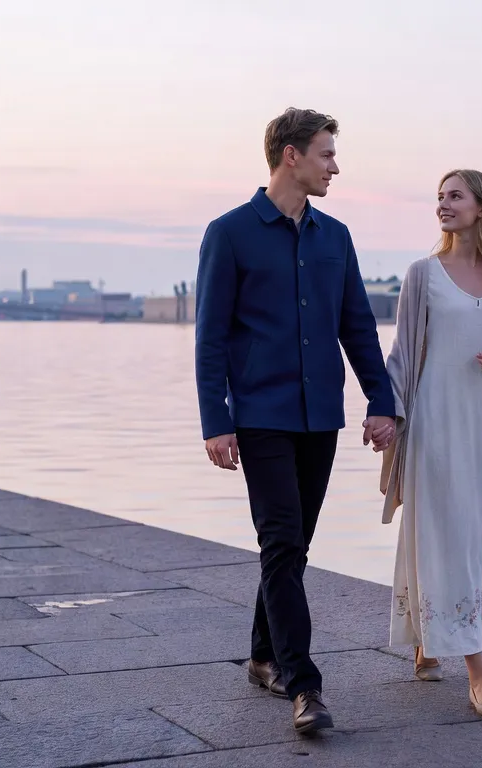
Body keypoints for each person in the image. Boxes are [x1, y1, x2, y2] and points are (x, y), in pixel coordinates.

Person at [195, 107, 397, 735]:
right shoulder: (228, 233)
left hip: (320, 417)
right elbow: (211, 337)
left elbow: (357, 326)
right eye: (326, 154)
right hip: (259, 416)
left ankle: (261, 655)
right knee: (281, 541)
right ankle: (303, 686)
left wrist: (380, 400)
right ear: (291, 155)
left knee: (294, 545)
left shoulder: (335, 237)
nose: (335, 166)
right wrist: (216, 420)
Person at [379, 169, 482, 718]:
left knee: (477, 539)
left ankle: (428, 638)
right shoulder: (422, 275)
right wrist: (387, 414)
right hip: (436, 423)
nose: (443, 205)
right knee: (447, 536)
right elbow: (402, 353)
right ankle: (479, 674)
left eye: (455, 196)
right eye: (439, 198)